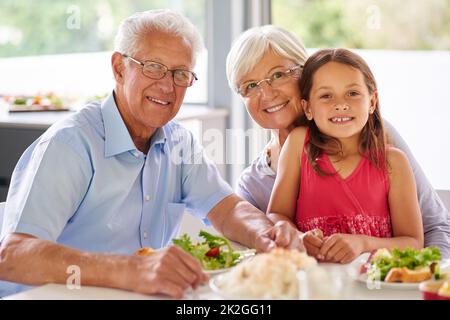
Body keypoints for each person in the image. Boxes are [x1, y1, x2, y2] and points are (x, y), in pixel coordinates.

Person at [0, 10, 304, 299]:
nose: (167, 86)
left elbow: (227, 210)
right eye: (154, 68)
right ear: (119, 68)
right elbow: (13, 256)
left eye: (181, 74)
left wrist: (269, 234)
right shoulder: (69, 144)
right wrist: (131, 270)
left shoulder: (179, 143)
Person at [226, 25, 450, 258]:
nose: (267, 92)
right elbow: (259, 254)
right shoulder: (251, 185)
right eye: (250, 86)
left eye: (278, 74)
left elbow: (434, 228)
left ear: (305, 74)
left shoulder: (379, 138)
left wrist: (430, 285)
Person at [268, 48, 424, 263]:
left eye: (352, 93)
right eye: (326, 96)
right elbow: (277, 215)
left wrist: (363, 243)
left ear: (371, 102)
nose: (340, 104)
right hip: (312, 287)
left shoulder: (393, 162)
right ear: (308, 108)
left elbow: (413, 243)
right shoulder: (298, 144)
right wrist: (299, 237)